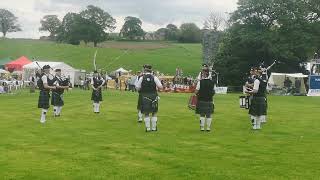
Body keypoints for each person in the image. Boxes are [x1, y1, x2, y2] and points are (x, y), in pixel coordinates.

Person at [136, 65, 163, 132]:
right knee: (154, 112)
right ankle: (154, 128)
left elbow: (137, 87)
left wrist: (143, 89)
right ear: (151, 71)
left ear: (145, 71)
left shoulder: (142, 78)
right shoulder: (155, 78)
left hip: (144, 96)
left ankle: (148, 128)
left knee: (146, 113)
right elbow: (160, 86)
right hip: (153, 96)